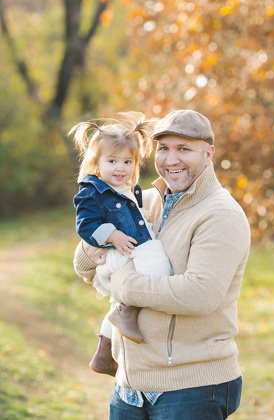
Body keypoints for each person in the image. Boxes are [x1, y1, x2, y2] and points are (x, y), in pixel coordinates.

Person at [73, 109, 250, 419]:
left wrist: (123, 283)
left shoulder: (220, 215)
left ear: (208, 154)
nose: (171, 159)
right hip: (129, 386)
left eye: (184, 149)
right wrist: (95, 247)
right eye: (164, 149)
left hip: (190, 388)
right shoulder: (145, 202)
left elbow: (199, 294)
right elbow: (83, 265)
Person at [69, 112, 174, 377]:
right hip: (116, 254)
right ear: (96, 162)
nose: (121, 168)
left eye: (127, 161)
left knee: (143, 273)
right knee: (159, 262)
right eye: (112, 161)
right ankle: (126, 311)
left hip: (126, 253)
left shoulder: (128, 189)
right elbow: (85, 225)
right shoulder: (91, 191)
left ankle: (104, 351)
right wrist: (112, 235)